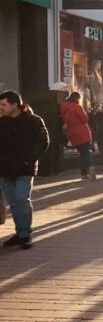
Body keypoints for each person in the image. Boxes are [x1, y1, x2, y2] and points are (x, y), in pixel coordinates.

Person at [0, 91, 49, 250]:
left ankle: (25, 234)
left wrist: (29, 159)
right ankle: (20, 233)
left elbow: (43, 142)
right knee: (13, 202)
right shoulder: (2, 122)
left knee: (22, 199)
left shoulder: (33, 121)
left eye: (4, 104)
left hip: (24, 168)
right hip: (5, 168)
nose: (1, 108)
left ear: (15, 104)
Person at [60, 91, 93, 180]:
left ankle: (84, 173)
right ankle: (88, 170)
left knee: (82, 153)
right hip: (82, 132)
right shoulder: (77, 107)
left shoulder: (64, 108)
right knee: (85, 153)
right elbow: (85, 118)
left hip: (72, 132)